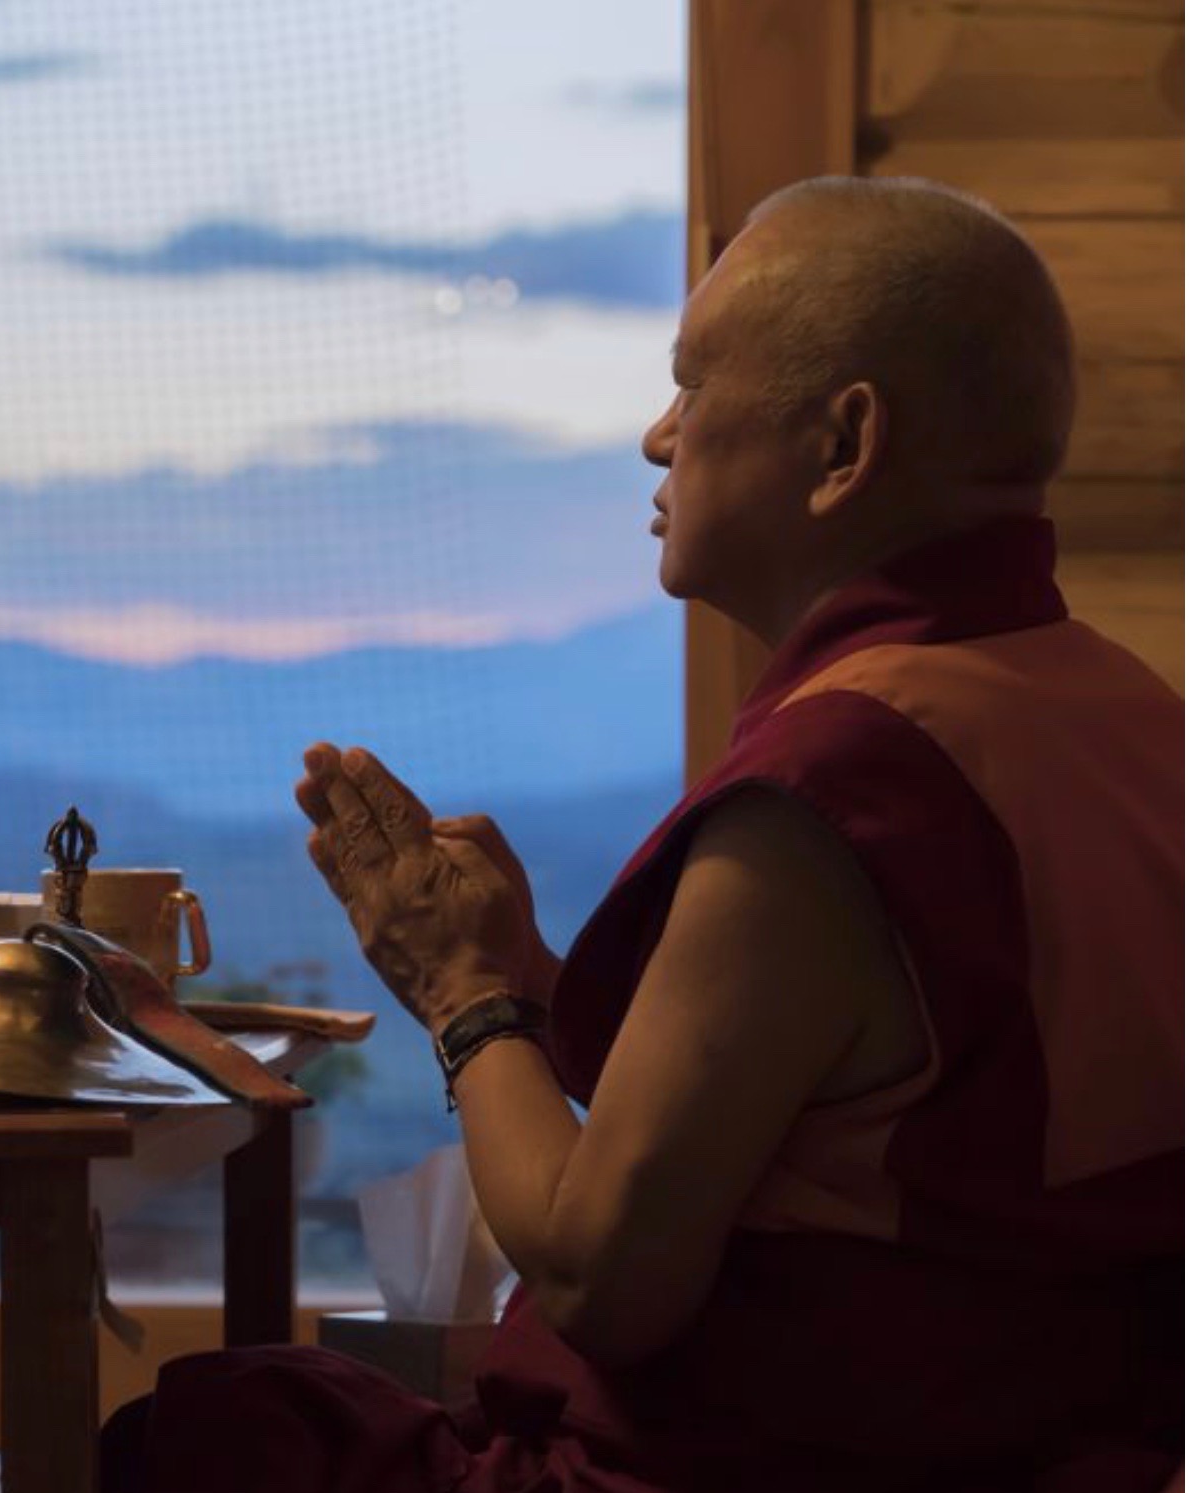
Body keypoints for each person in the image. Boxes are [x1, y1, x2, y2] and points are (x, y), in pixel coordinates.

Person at [108, 176, 1183, 1492]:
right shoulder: (1126, 712)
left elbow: (594, 1275)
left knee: (209, 1431)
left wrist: (461, 990)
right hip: (1060, 1437)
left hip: (783, 1461)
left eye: (691, 384)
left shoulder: (843, 779)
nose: (656, 436)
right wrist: (542, 983)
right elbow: (839, 1107)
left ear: (842, 446)